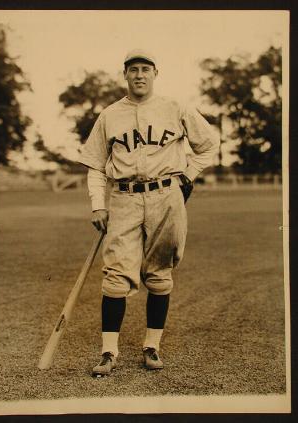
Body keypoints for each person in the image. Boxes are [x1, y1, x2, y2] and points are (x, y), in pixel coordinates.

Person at [79, 48, 220, 377]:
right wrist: (98, 204)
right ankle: (108, 351)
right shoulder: (110, 115)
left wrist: (188, 174)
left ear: (155, 74)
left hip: (167, 196)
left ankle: (152, 345)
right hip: (124, 197)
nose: (139, 74)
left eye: (145, 69)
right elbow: (96, 166)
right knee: (115, 276)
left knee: (159, 272)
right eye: (133, 69)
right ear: (124, 75)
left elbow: (209, 144)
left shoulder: (176, 108)